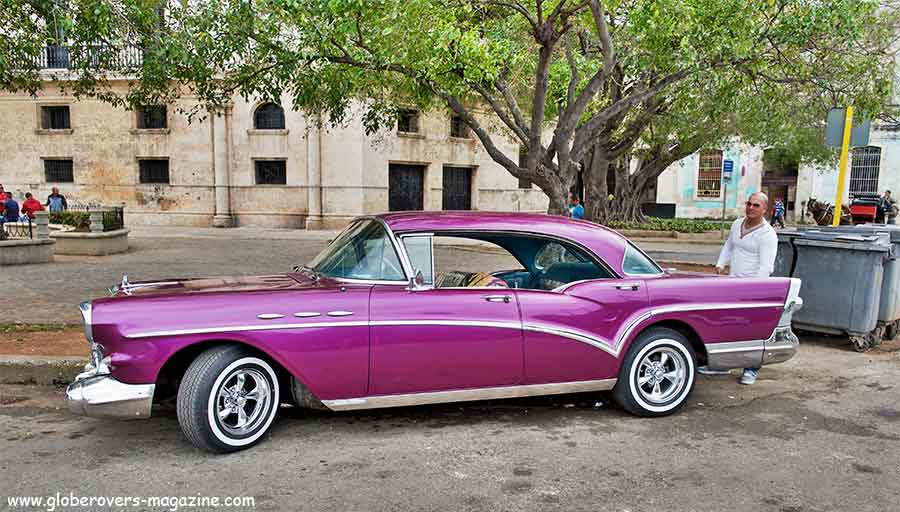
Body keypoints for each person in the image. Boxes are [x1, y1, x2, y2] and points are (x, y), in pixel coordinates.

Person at [710, 192, 778, 385]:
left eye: (756, 205)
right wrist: (721, 264)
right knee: (728, 325)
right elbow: (729, 246)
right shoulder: (737, 224)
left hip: (752, 289)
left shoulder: (767, 234)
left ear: (764, 209)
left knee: (752, 330)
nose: (751, 208)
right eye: (749, 203)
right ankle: (724, 364)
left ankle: (751, 368)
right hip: (732, 285)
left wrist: (754, 291)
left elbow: (766, 267)